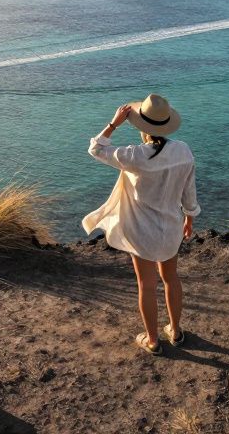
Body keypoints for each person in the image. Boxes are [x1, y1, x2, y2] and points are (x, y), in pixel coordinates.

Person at [83, 93, 198, 355]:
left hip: (141, 232)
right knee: (171, 279)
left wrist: (114, 124)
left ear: (140, 127)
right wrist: (189, 218)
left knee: (146, 285)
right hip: (171, 228)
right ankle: (176, 331)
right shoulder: (183, 150)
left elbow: (96, 148)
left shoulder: (135, 155)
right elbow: (188, 192)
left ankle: (153, 340)